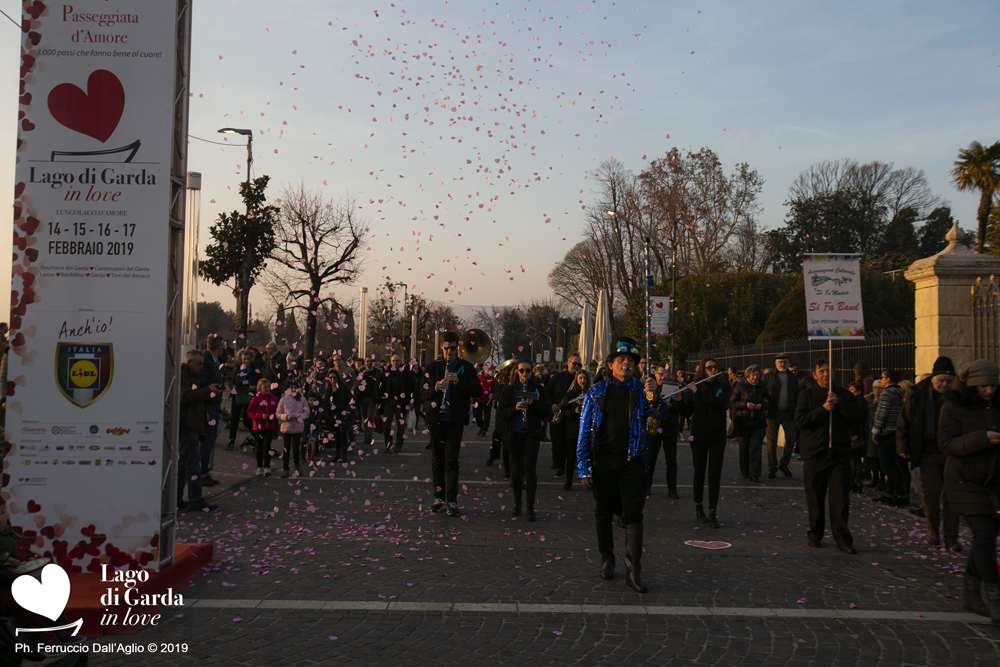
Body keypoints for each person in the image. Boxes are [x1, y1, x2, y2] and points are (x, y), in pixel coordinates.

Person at [577, 337, 663, 593]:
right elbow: (584, 432)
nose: (627, 364)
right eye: (621, 360)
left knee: (634, 514)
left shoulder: (643, 389)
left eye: (631, 361)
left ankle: (633, 570)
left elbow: (660, 414)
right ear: (611, 364)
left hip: (632, 462)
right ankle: (607, 559)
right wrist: (584, 467)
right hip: (603, 461)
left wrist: (655, 399)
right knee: (603, 513)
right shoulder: (596, 392)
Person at [938, 359, 1000, 625]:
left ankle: (971, 591)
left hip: (995, 480)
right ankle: (995, 595)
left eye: (993, 386)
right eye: (983, 386)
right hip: (965, 480)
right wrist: (981, 438)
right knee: (984, 534)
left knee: (987, 535)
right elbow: (947, 444)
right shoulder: (954, 406)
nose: (988, 390)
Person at [794, 358, 862, 554]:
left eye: (828, 371)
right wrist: (823, 409)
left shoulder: (843, 395)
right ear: (814, 375)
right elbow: (800, 421)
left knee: (840, 498)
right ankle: (815, 534)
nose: (825, 374)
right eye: (821, 371)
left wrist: (839, 404)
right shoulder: (806, 395)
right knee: (815, 497)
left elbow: (856, 418)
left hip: (839, 453)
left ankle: (843, 538)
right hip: (815, 453)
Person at [897, 357, 959, 550]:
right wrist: (902, 447)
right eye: (941, 380)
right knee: (930, 491)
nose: (944, 384)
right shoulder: (918, 394)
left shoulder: (959, 396)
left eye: (949, 381)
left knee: (952, 495)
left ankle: (951, 536)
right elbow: (904, 422)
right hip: (928, 450)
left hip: (952, 452)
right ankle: (933, 529)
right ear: (933, 379)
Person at [422, 332, 483, 516]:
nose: (450, 351)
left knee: (451, 460)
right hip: (436, 420)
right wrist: (434, 389)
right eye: (447, 348)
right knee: (437, 460)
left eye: (453, 348)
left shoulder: (466, 367)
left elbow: (478, 391)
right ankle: (439, 498)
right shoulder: (432, 367)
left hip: (455, 420)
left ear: (458, 348)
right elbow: (421, 394)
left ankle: (452, 500)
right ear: (442, 347)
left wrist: (459, 382)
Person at [498, 360, 553, 520]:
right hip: (514, 433)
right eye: (521, 371)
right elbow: (501, 412)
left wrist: (533, 404)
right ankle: (517, 503)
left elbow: (546, 411)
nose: (524, 374)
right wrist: (514, 409)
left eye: (527, 371)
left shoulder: (538, 389)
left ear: (532, 372)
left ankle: (530, 506)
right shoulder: (509, 390)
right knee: (516, 471)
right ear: (517, 372)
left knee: (529, 469)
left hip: (531, 434)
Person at [689, 358, 731, 528]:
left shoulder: (724, 386)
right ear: (703, 370)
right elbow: (687, 410)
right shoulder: (696, 386)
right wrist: (678, 398)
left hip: (717, 435)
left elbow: (716, 402)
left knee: (714, 474)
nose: (713, 370)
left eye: (715, 367)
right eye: (709, 368)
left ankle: (713, 511)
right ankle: (698, 507)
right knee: (699, 472)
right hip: (699, 435)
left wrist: (696, 392)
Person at [179, 350, 220, 512]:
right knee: (193, 464)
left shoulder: (193, 376)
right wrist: (206, 391)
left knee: (184, 464)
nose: (201, 367)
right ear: (189, 362)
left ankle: (176, 498)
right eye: (199, 364)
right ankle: (195, 499)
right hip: (187, 425)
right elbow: (186, 396)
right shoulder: (183, 376)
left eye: (203, 364)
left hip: (193, 424)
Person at [872, 368, 908, 506]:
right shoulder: (900, 393)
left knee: (887, 466)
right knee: (893, 465)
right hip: (896, 432)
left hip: (886, 432)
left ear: (888, 379)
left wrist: (876, 431)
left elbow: (882, 414)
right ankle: (889, 492)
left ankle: (901, 494)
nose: (881, 379)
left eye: (882, 377)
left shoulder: (887, 394)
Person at [648, 365, 682, 498]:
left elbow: (680, 407)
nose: (662, 377)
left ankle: (672, 489)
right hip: (654, 427)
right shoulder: (650, 386)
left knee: (671, 460)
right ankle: (647, 485)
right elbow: (646, 404)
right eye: (660, 374)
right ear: (655, 374)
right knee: (651, 458)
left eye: (665, 374)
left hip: (669, 427)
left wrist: (673, 404)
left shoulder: (672, 386)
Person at [732, 364, 769, 483]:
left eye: (757, 375)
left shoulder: (762, 386)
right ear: (748, 375)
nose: (755, 377)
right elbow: (733, 402)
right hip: (743, 420)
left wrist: (762, 405)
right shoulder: (741, 385)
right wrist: (745, 404)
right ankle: (745, 471)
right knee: (744, 448)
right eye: (753, 375)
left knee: (756, 448)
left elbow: (769, 402)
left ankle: (755, 473)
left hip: (758, 422)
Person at [763, 353, 798, 478]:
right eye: (780, 362)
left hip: (788, 413)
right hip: (772, 413)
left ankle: (784, 464)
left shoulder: (792, 378)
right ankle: (772, 467)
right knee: (771, 442)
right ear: (775, 363)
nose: (782, 364)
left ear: (788, 363)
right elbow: (762, 391)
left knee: (791, 438)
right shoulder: (768, 376)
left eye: (784, 362)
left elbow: (796, 393)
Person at [548, 355, 582, 476]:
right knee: (558, 441)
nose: (576, 366)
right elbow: (547, 392)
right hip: (559, 413)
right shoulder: (557, 377)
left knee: (572, 442)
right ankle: (559, 465)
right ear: (568, 363)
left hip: (573, 416)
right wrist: (552, 404)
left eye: (579, 365)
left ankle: (571, 464)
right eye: (574, 364)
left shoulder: (580, 379)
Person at [558, 369, 591, 491]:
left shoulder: (590, 393)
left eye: (585, 378)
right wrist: (574, 410)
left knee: (588, 457)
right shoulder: (570, 394)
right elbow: (564, 412)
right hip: (573, 429)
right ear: (577, 380)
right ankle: (568, 481)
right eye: (580, 378)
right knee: (571, 457)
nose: (583, 381)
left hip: (587, 429)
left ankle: (589, 482)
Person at [199, 335, 224, 487]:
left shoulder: (215, 361)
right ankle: (201, 472)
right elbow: (202, 384)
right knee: (206, 442)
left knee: (210, 442)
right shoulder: (207, 361)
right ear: (219, 346)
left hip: (214, 405)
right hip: (208, 406)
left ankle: (205, 471)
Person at [378, 354, 415, 452]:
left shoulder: (406, 371)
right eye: (393, 361)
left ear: (400, 361)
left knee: (401, 424)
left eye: (397, 361)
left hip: (401, 401)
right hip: (388, 401)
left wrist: (411, 400)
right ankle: (388, 444)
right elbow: (382, 386)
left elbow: (411, 386)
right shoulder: (387, 371)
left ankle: (398, 445)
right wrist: (379, 400)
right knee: (386, 423)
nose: (395, 363)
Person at [277, 380, 310, 478]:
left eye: (295, 387)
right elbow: (278, 413)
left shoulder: (302, 399)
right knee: (286, 448)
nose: (293, 389)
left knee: (296, 448)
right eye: (291, 387)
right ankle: (285, 468)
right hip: (286, 427)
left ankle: (297, 465)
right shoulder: (283, 399)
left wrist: (300, 416)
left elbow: (307, 412)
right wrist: (286, 417)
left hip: (297, 427)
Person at [227, 349, 258, 451]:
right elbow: (231, 382)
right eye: (244, 359)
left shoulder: (254, 369)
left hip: (249, 396)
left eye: (248, 359)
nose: (246, 361)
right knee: (234, 418)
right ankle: (231, 440)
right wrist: (233, 387)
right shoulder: (238, 369)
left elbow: (261, 381)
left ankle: (258, 437)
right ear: (241, 359)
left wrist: (254, 387)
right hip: (238, 395)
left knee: (247, 419)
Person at [247, 378, 279, 476]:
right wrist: (260, 416)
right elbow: (250, 412)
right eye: (265, 387)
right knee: (259, 447)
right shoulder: (255, 399)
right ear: (259, 388)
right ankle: (259, 467)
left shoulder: (274, 399)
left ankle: (267, 467)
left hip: (269, 427)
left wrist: (272, 415)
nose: (267, 389)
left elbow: (277, 411)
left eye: (268, 387)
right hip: (258, 427)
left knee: (267, 447)